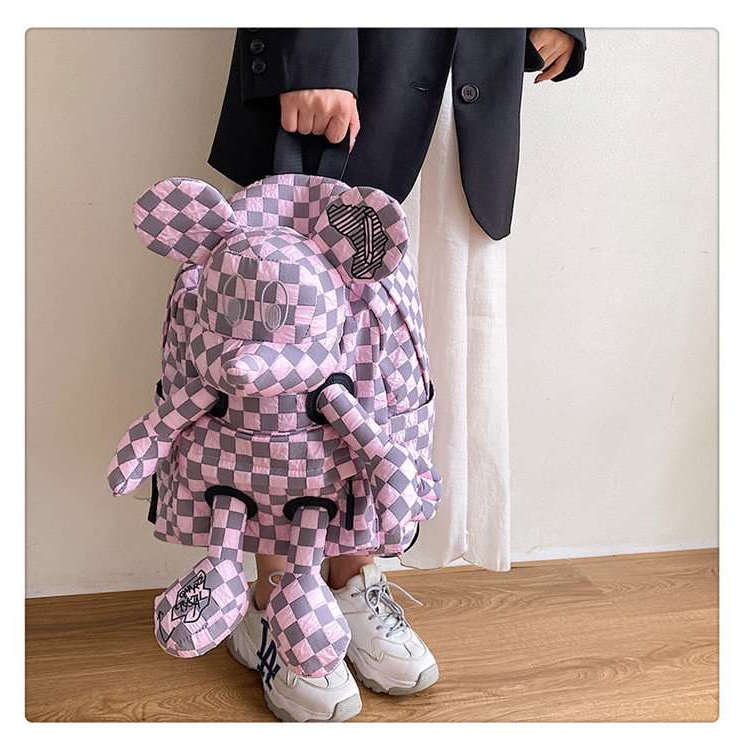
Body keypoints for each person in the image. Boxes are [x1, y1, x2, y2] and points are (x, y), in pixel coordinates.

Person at [208, 27, 586, 722]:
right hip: (349, 64)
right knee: (289, 350)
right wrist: (311, 52)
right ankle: (275, 603)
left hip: (467, 81)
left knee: (396, 369)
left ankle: (351, 581)